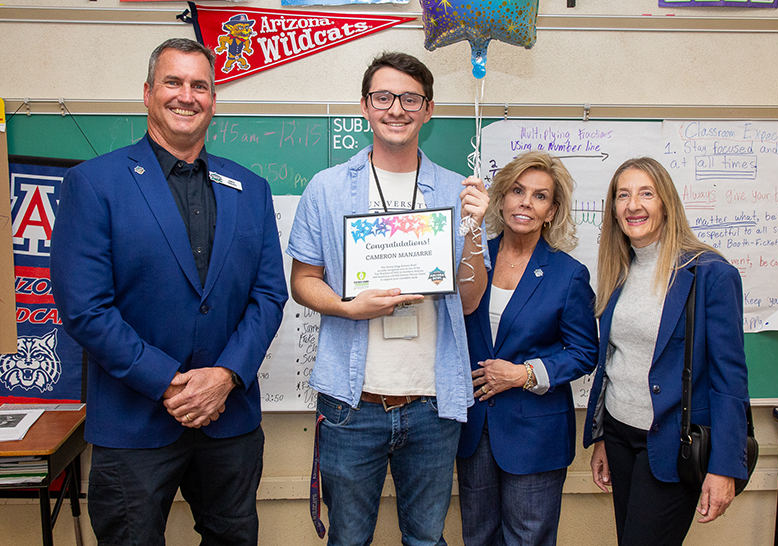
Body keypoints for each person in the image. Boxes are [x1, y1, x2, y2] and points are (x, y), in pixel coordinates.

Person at [50, 38, 288, 545]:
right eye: (173, 82)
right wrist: (172, 384)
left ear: (213, 100)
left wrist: (224, 377)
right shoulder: (94, 183)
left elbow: (269, 297)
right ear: (148, 93)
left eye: (200, 85)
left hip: (229, 422)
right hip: (133, 424)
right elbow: (85, 308)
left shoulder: (251, 188)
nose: (187, 95)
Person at [286, 51, 489, 546]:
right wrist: (347, 307)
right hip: (352, 404)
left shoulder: (455, 191)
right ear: (365, 105)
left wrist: (476, 231)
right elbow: (303, 280)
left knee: (425, 539)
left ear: (429, 109)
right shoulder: (327, 187)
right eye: (384, 97)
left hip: (433, 404)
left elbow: (467, 300)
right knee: (349, 539)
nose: (396, 108)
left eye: (410, 98)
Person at [582, 157, 751, 546]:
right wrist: (604, 437)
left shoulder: (710, 273)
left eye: (646, 193)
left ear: (666, 203)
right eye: (622, 195)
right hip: (621, 437)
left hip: (675, 446)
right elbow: (615, 362)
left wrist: (725, 468)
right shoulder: (619, 270)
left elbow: (731, 380)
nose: (633, 205)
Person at [456, 151, 598, 546]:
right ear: (501, 199)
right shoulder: (472, 259)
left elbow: (585, 352)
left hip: (535, 434)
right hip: (475, 428)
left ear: (551, 211)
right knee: (478, 538)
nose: (525, 202)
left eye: (540, 196)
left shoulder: (568, 274)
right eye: (517, 191)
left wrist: (525, 373)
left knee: (528, 540)